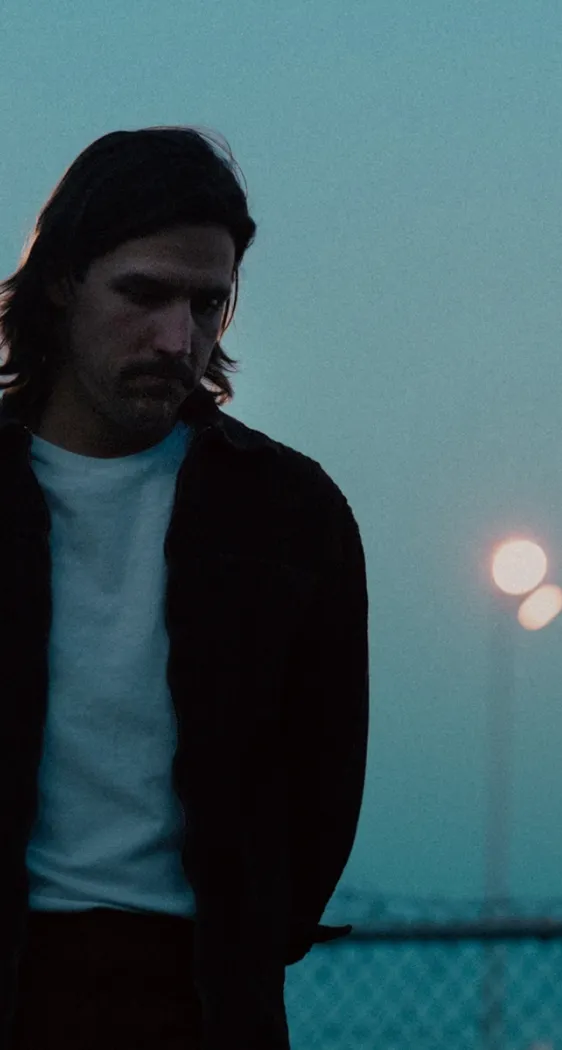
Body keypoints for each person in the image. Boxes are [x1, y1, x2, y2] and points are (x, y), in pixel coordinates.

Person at [0, 127, 369, 1049]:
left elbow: (325, 779)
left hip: (202, 997)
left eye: (209, 303)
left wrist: (256, 932)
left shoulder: (289, 511)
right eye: (144, 294)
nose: (180, 339)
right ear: (59, 285)